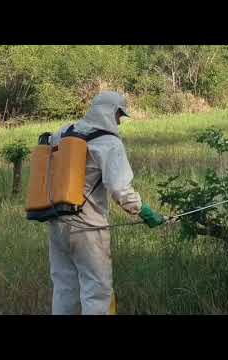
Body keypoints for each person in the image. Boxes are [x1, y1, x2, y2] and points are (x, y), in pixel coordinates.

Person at [48, 91, 165, 315]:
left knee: (64, 288)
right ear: (112, 112)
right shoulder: (108, 143)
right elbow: (120, 189)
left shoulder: (62, 133)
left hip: (56, 222)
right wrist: (145, 212)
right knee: (97, 291)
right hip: (88, 228)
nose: (120, 121)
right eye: (120, 115)